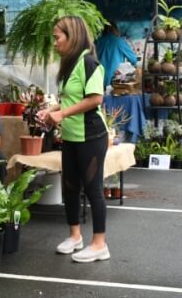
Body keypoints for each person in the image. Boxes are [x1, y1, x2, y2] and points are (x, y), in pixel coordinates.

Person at [37, 15, 109, 263]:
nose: (54, 43)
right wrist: (52, 109)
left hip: (91, 136)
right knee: (70, 187)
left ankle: (99, 243)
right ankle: (75, 236)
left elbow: (95, 99)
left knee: (93, 189)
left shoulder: (89, 63)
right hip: (71, 136)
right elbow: (71, 99)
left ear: (73, 36)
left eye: (57, 37)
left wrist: (62, 113)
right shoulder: (71, 65)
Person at [95, 21, 138, 89]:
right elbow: (134, 60)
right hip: (114, 79)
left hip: (98, 78)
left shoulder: (97, 42)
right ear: (116, 30)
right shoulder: (119, 41)